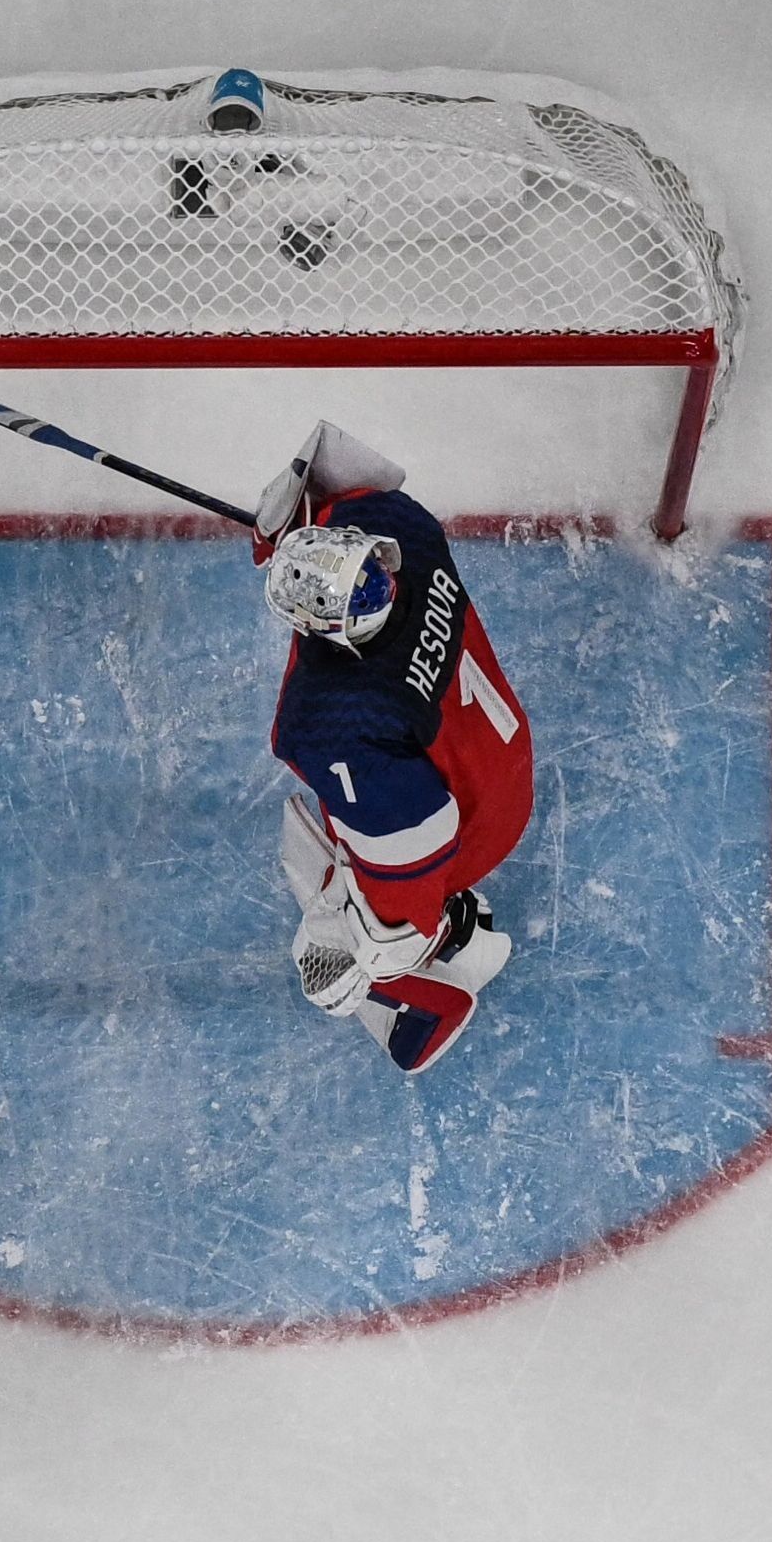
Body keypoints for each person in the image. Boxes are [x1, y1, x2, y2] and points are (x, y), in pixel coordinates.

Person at [254, 419, 531, 1074]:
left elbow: (415, 847)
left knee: (334, 957)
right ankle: (432, 918)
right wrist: (295, 521)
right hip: (501, 757)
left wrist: (382, 940)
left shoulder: (339, 728)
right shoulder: (402, 526)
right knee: (376, 800)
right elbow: (352, 479)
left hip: (473, 828)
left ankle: (445, 956)